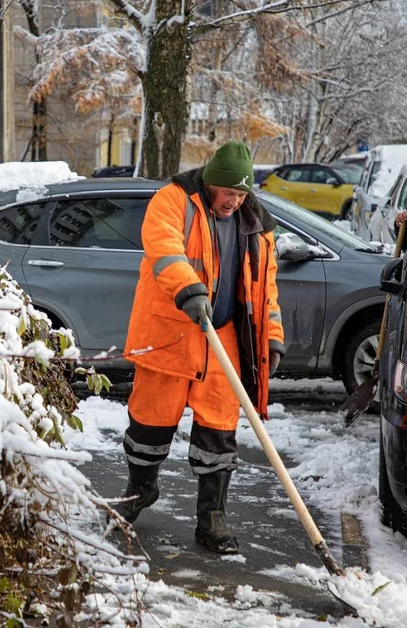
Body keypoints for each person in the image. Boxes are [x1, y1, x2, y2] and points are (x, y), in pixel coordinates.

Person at [113, 141, 285, 554]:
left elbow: (267, 287)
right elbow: (163, 246)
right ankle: (139, 490)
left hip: (223, 337)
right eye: (228, 193)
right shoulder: (173, 200)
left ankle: (212, 517)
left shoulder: (256, 223)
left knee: (218, 432)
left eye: (241, 194)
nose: (234, 201)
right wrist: (188, 287)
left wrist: (272, 336)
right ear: (211, 182)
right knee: (149, 424)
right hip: (173, 333)